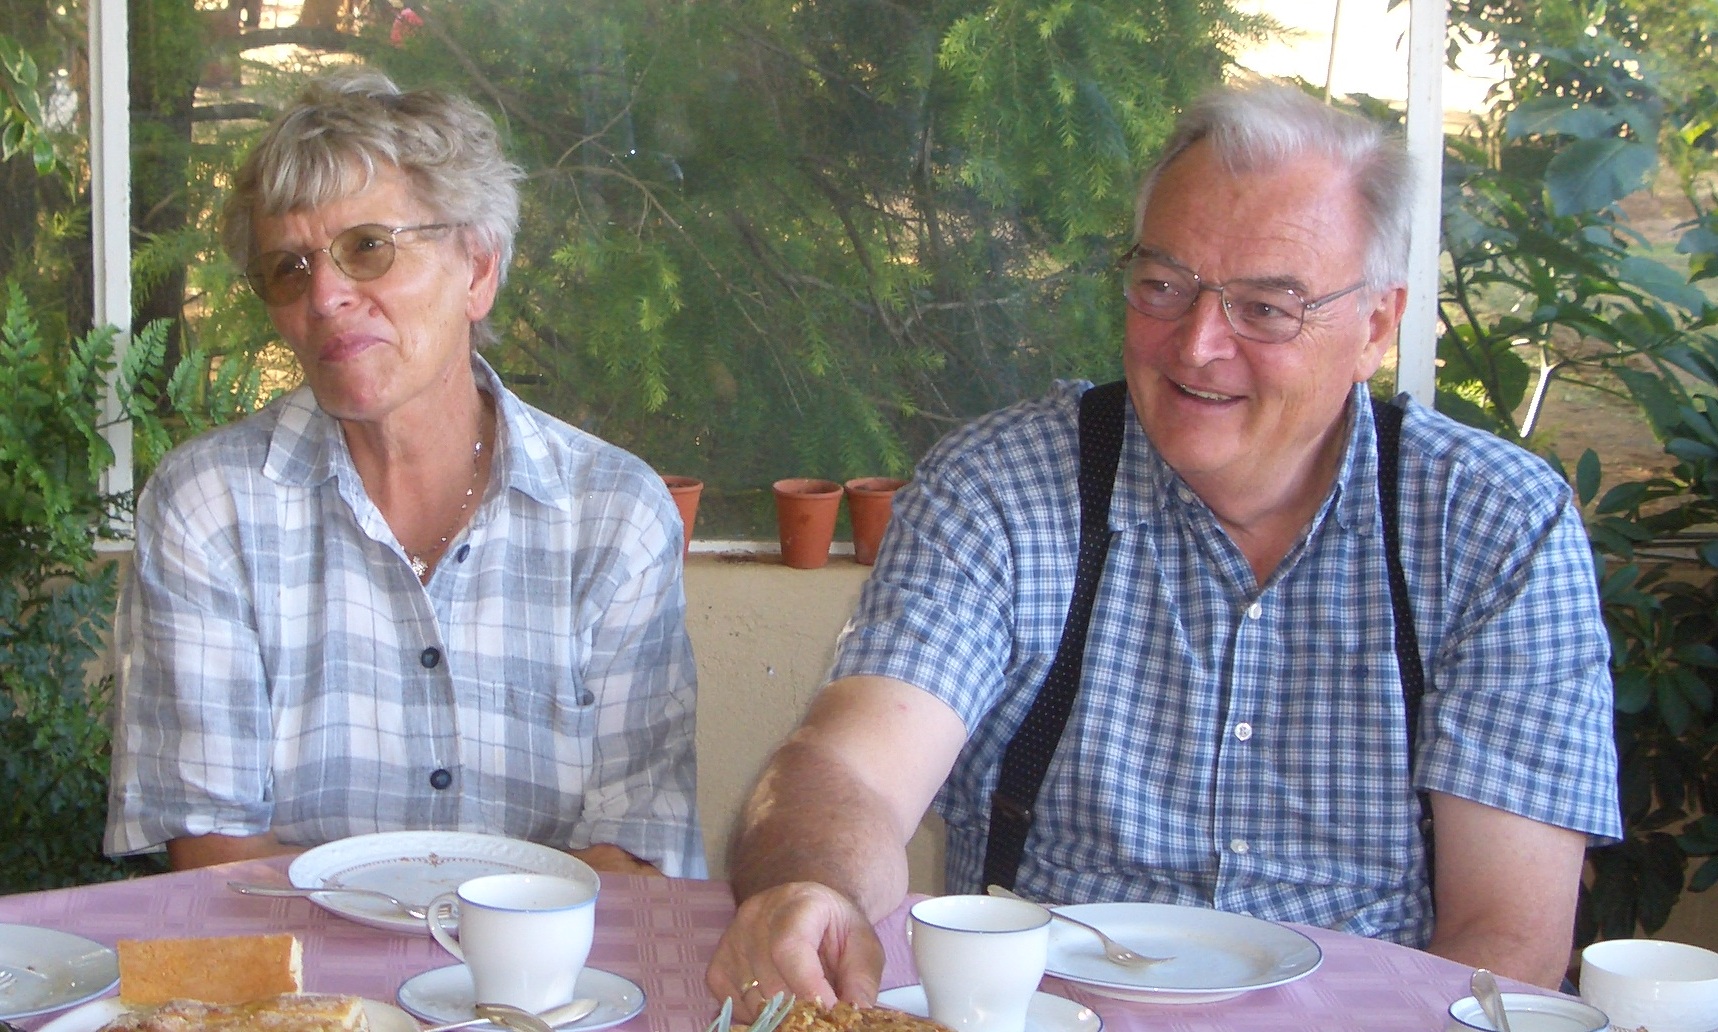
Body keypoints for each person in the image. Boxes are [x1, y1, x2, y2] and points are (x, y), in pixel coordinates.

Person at [706, 81, 1620, 1005]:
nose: (1196, 345)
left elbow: (1506, 937)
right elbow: (849, 770)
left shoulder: (1493, 526)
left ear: (1375, 327)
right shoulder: (1002, 487)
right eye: (1163, 287)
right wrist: (810, 887)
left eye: (1266, 308)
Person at [104, 68, 705, 879]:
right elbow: (213, 853)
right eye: (289, 268)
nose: (325, 296)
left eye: (367, 247)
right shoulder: (209, 509)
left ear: (477, 269)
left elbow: (635, 851)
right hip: (303, 962)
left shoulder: (614, 515)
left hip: (548, 965)